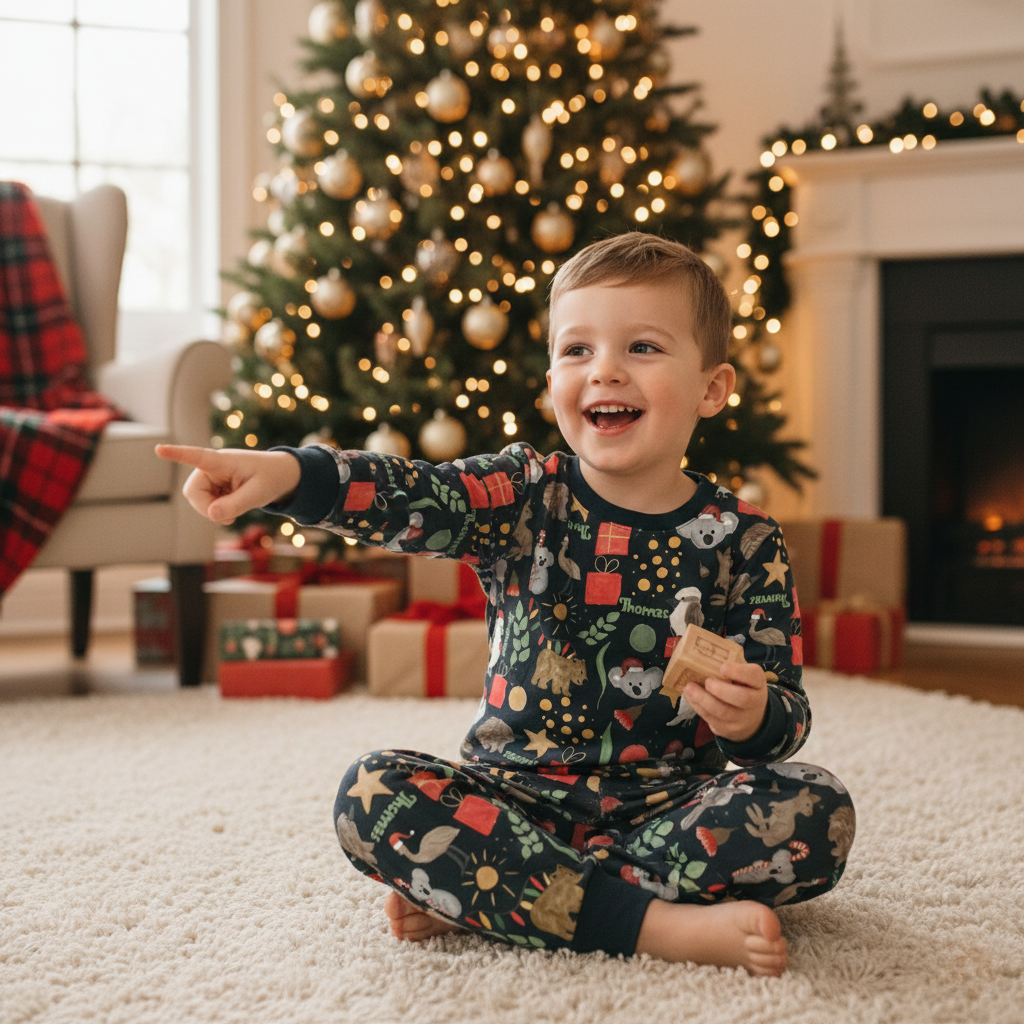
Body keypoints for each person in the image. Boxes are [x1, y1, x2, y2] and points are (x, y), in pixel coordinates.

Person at [158, 232, 855, 975]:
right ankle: (655, 927)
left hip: (669, 809)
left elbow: (785, 714)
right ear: (552, 379)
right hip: (512, 800)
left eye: (643, 347)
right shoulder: (522, 494)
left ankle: (492, 893)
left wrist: (754, 717)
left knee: (818, 808)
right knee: (371, 792)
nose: (605, 369)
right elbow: (411, 494)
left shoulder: (747, 538)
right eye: (578, 349)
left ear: (711, 389)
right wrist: (291, 476)